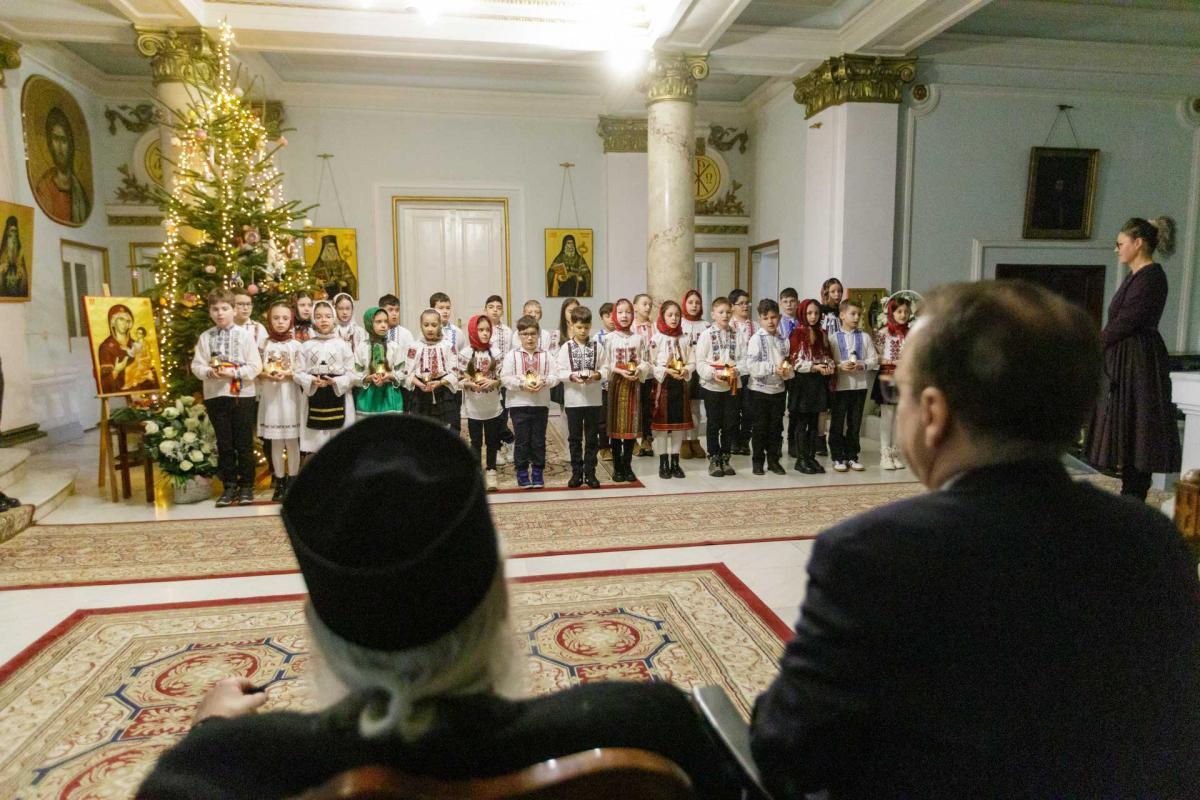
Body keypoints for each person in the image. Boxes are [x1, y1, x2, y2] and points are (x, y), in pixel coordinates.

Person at [750, 280, 1200, 799]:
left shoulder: (870, 554)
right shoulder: (1151, 541)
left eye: (898, 392)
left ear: (934, 414)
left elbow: (787, 749)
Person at [136, 415, 739, 800]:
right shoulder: (648, 724)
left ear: (318, 630)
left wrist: (211, 733)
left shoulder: (218, 771)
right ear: (501, 600)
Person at [1085, 216, 1181, 500]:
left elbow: (1128, 320)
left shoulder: (1151, 277)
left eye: (1121, 244)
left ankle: (1134, 495)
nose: (1117, 249)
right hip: (1128, 359)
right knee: (1128, 428)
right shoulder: (1137, 276)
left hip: (1139, 362)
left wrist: (1094, 344)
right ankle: (1130, 492)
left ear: (1138, 243)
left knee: (1139, 428)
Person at [191, 288, 263, 506]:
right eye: (215, 309)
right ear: (210, 312)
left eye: (224, 308)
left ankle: (247, 485)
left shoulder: (245, 336)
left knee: (244, 442)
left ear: (234, 310)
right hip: (215, 396)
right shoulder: (206, 337)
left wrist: (234, 372)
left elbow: (256, 366)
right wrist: (209, 372)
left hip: (242, 395)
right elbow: (197, 365)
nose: (220, 313)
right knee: (224, 443)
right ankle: (229, 485)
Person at [500, 315, 559, 488]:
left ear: (539, 334)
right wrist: (522, 384)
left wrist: (544, 382)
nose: (529, 338)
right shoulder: (512, 355)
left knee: (538, 440)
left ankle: (538, 471)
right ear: (519, 335)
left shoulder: (546, 355)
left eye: (533, 334)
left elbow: (555, 376)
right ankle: (522, 472)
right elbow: (505, 378)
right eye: (525, 334)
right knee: (522, 440)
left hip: (540, 404)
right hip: (518, 404)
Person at [294, 300, 357, 458]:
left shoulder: (342, 345)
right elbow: (297, 373)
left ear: (333, 318)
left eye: (328, 316)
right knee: (318, 449)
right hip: (315, 397)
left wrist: (336, 381)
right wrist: (311, 380)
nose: (324, 320)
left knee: (339, 446)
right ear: (313, 319)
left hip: (339, 397)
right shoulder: (306, 346)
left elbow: (352, 374)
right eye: (319, 316)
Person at [258, 302, 304, 500]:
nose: (280, 322)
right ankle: (280, 481)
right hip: (271, 397)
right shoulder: (263, 344)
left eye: (285, 318)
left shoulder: (296, 345)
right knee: (276, 441)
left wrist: (289, 373)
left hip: (290, 397)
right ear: (269, 320)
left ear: (291, 320)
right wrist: (265, 374)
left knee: (292, 441)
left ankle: (293, 480)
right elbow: (256, 369)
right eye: (276, 318)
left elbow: (302, 371)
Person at [556, 306, 605, 488]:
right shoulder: (566, 348)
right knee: (574, 438)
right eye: (579, 327)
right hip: (573, 400)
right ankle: (576, 473)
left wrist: (598, 375)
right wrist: (571, 376)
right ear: (572, 326)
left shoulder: (597, 346)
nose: (583, 331)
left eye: (586, 327)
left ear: (590, 326)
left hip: (593, 400)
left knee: (592, 438)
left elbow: (606, 367)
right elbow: (559, 370)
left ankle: (590, 473)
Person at [602, 299, 650, 483]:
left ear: (632, 315)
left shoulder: (638, 338)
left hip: (633, 386)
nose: (624, 316)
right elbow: (605, 363)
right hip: (616, 384)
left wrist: (639, 370)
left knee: (631, 425)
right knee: (615, 427)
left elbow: (645, 360)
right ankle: (617, 466)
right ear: (615, 315)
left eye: (628, 312)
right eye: (620, 312)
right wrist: (619, 370)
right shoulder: (609, 338)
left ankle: (627, 464)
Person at [827, 298, 877, 472]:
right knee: (837, 422)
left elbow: (873, 359)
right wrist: (840, 366)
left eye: (859, 314)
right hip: (840, 387)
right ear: (842, 315)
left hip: (859, 386)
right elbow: (829, 361)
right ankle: (837, 456)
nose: (856, 318)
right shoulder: (833, 338)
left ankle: (852, 456)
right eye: (852, 314)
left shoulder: (865, 337)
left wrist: (862, 365)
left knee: (855, 423)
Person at [695, 296, 742, 478]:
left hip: (732, 385)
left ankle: (725, 456)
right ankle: (714, 457)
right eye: (721, 312)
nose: (725, 315)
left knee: (730, 423)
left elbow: (744, 358)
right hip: (712, 386)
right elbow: (700, 362)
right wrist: (712, 373)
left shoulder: (737, 334)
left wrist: (737, 371)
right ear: (713, 314)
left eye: (728, 312)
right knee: (714, 423)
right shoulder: (706, 335)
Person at [788, 299, 835, 474]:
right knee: (802, 422)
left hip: (818, 383)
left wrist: (828, 366)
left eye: (816, 313)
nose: (813, 316)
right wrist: (814, 366)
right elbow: (795, 360)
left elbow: (827, 355)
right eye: (809, 313)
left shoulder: (822, 333)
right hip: (803, 383)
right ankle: (800, 459)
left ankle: (810, 456)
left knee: (815, 422)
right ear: (803, 314)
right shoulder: (797, 333)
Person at [746, 299, 792, 476]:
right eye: (766, 318)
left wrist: (786, 371)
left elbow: (787, 362)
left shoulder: (783, 339)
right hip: (759, 390)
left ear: (779, 317)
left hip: (778, 390)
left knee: (776, 428)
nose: (770, 321)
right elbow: (752, 366)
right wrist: (773, 368)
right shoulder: (756, 339)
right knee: (760, 428)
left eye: (773, 317)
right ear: (760, 319)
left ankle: (773, 460)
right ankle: (758, 461)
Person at [650, 300, 695, 479]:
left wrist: (686, 370)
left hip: (680, 385)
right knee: (662, 427)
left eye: (677, 315)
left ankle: (675, 462)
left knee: (678, 426)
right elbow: (651, 363)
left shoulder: (685, 339)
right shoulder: (656, 339)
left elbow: (692, 360)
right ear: (662, 316)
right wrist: (665, 370)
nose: (674, 318)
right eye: (670, 315)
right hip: (663, 386)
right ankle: (663, 463)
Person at [462, 314, 504, 492]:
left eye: (487, 330)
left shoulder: (496, 352)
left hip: (492, 404)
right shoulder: (466, 353)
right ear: (473, 331)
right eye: (480, 330)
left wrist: (494, 382)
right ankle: (477, 473)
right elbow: (458, 377)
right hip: (474, 406)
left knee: (492, 439)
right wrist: (469, 383)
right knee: (476, 441)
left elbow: (503, 376)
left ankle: (491, 471)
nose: (485, 333)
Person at [405, 309, 461, 428]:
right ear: (421, 325)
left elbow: (455, 372)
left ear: (440, 325)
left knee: (444, 428)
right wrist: (420, 384)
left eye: (434, 325)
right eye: (426, 325)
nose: (430, 329)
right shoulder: (414, 346)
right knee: (421, 427)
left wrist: (440, 382)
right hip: (420, 391)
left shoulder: (448, 346)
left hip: (443, 390)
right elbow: (407, 373)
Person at [874, 296, 911, 471]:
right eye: (899, 311)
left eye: (906, 312)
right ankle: (885, 453)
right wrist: (889, 361)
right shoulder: (884, 333)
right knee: (887, 415)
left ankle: (895, 452)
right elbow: (876, 356)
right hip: (888, 376)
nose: (903, 315)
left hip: (904, 377)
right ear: (891, 312)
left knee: (900, 416)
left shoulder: (911, 333)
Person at [34, 107, 90, 225]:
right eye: (55, 139)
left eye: (63, 140)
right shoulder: (44, 188)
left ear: (71, 145)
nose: (59, 147)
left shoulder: (78, 190)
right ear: (50, 143)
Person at [353, 307, 406, 418]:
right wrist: (368, 378)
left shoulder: (394, 346)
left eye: (386, 321)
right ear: (369, 323)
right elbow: (355, 374)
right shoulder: (362, 347)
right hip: (368, 397)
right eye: (378, 322)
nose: (383, 325)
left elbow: (402, 371)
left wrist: (390, 376)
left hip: (390, 396)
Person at [98, 303, 157, 394]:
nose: (124, 323)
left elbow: (148, 365)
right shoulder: (106, 347)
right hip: (119, 397)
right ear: (113, 322)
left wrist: (151, 376)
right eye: (121, 319)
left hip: (140, 393)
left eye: (128, 321)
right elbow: (105, 385)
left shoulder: (135, 344)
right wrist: (116, 370)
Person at [483, 294, 514, 464]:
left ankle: (509, 441)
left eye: (498, 307)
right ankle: (497, 448)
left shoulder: (508, 331)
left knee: (502, 415)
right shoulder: (482, 328)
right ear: (485, 309)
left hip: (502, 379)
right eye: (491, 307)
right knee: (490, 417)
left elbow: (510, 354)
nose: (495, 310)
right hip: (485, 380)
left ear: (502, 311)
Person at [679, 289, 708, 460]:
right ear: (684, 304)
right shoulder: (679, 323)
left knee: (696, 406)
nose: (694, 306)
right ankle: (683, 442)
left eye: (697, 302)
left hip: (699, 370)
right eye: (690, 302)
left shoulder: (706, 325)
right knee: (683, 407)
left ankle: (695, 441)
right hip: (684, 369)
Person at [728, 289, 755, 455]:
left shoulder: (755, 325)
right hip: (734, 373)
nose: (745, 306)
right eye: (741, 303)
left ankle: (745, 441)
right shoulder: (728, 325)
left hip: (750, 374)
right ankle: (733, 440)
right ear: (732, 306)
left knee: (749, 409)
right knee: (733, 408)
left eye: (747, 303)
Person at [632, 293, 657, 456]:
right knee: (635, 407)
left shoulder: (654, 327)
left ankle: (647, 439)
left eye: (650, 305)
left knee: (648, 407)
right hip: (635, 372)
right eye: (644, 304)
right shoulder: (631, 327)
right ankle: (633, 440)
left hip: (650, 373)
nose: (648, 307)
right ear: (635, 307)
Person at [778, 288, 800, 456]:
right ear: (780, 303)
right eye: (785, 301)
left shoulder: (802, 322)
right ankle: (777, 442)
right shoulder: (777, 322)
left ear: (797, 303)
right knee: (779, 406)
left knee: (795, 406)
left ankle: (793, 441)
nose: (789, 305)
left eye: (792, 301)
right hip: (781, 367)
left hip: (798, 368)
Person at [595, 301, 615, 462]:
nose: (612, 319)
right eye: (608, 316)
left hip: (620, 381)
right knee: (603, 418)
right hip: (603, 383)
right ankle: (604, 446)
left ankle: (618, 445)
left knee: (617, 416)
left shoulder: (622, 335)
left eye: (614, 315)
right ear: (602, 318)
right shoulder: (597, 337)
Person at [309, 233, 356, 298]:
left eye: (333, 247)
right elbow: (310, 279)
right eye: (329, 247)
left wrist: (346, 283)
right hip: (323, 296)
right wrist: (317, 281)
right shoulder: (318, 264)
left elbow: (351, 279)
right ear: (324, 249)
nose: (331, 249)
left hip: (340, 295)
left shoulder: (342, 264)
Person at [0, 215, 29, 298]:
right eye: (10, 235)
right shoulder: (2, 254)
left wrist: (23, 276)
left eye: (15, 234)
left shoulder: (20, 254)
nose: (13, 239)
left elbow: (24, 292)